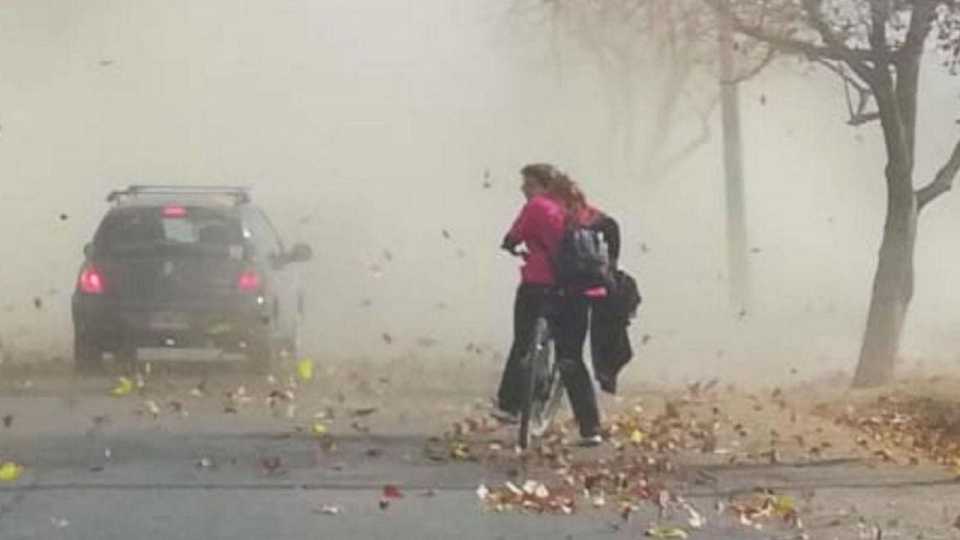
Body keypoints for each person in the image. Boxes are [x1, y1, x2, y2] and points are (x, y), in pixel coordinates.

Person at [494, 163, 602, 446]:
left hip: (539, 286)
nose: (523, 190)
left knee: (523, 342)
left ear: (542, 186)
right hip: (576, 290)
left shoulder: (536, 207)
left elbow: (514, 237)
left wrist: (511, 244)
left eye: (528, 185)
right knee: (571, 358)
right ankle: (590, 428)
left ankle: (510, 405)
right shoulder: (578, 208)